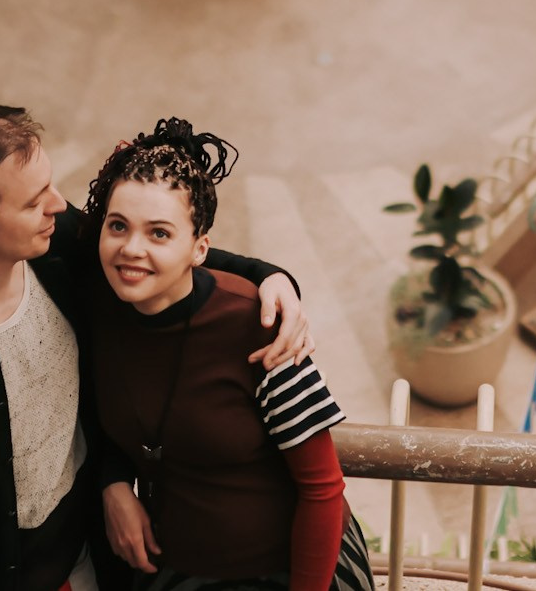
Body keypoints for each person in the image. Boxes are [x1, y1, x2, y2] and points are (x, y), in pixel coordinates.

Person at [0, 101, 316, 591]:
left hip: (88, 560)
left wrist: (268, 276)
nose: (57, 205)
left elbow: (162, 250)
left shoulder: (56, 250)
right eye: (32, 201)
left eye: (49, 184)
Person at [86, 119, 372, 591]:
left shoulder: (256, 326)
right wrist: (112, 481)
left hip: (294, 572)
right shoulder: (100, 306)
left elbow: (322, 489)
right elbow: (106, 420)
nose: (131, 249)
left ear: (200, 250)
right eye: (118, 226)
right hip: (178, 567)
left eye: (159, 233)